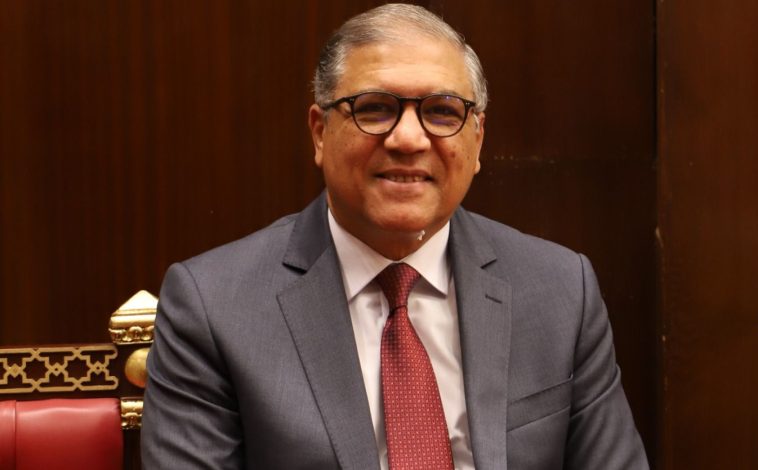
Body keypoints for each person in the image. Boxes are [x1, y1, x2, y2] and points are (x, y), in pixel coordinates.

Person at [141, 4, 648, 469]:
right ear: (319, 132)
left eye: (443, 111)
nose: (408, 138)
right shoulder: (214, 307)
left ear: (477, 140)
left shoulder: (561, 291)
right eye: (375, 108)